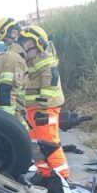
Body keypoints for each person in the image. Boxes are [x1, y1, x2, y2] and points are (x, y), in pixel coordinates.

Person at [19, 25, 69, 179]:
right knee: (36, 144)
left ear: (38, 43)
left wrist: (42, 108)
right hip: (33, 109)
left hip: (45, 109)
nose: (25, 47)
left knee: (50, 145)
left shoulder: (45, 58)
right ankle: (45, 175)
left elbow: (49, 83)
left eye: (27, 43)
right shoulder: (32, 59)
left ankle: (63, 179)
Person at [0, 17, 27, 122]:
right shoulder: (14, 59)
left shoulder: (0, 58)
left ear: (15, 32)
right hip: (4, 118)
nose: (6, 44)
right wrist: (10, 124)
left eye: (5, 40)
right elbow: (7, 93)